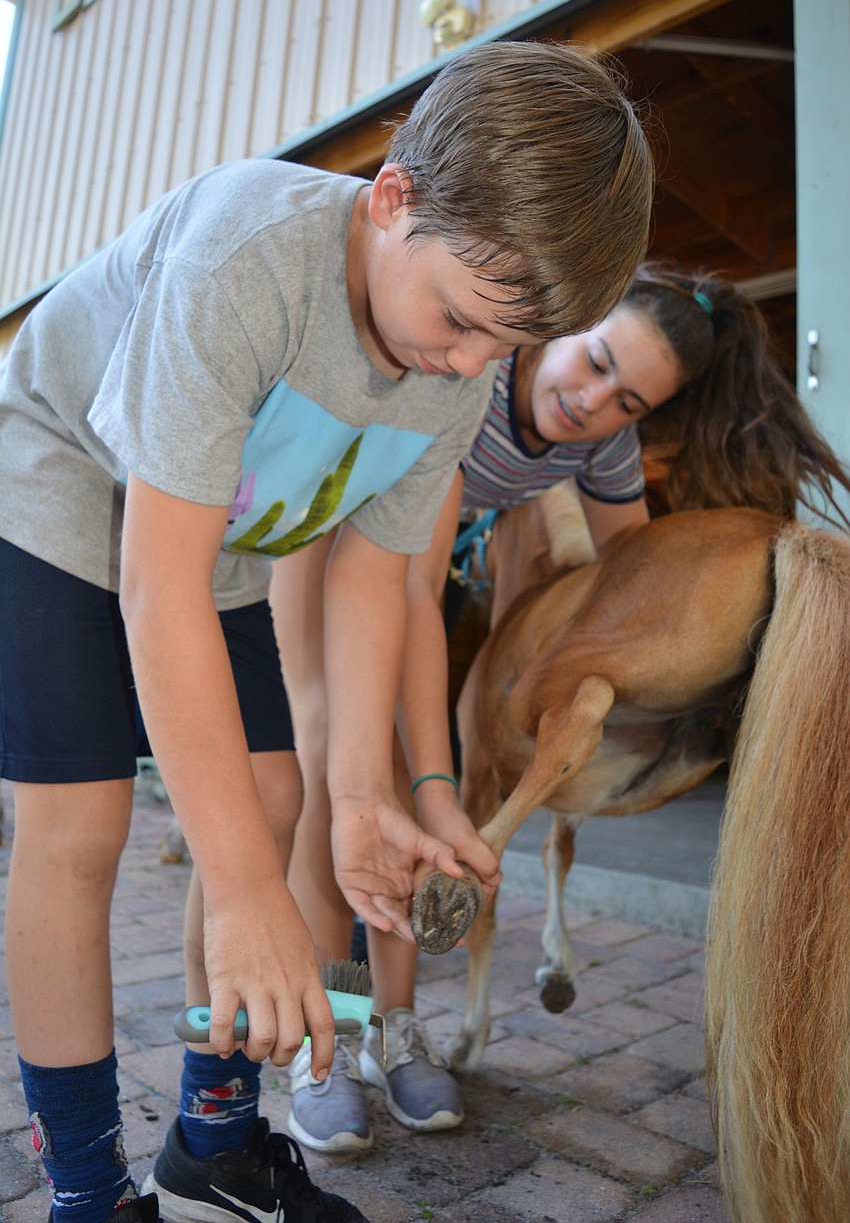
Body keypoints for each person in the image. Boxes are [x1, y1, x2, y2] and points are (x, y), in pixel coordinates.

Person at [0, 39, 654, 1223]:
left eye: (498, 350)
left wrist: (367, 795)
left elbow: (371, 576)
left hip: (232, 536)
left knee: (277, 800)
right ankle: (87, 1194)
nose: (466, 366)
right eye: (458, 321)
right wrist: (249, 896)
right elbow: (158, 585)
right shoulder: (250, 255)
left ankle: (210, 1144)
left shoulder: (458, 347)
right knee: (81, 829)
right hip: (56, 489)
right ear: (395, 195)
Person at [272, 259, 850, 1153]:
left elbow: (623, 585)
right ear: (570, 326)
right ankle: (328, 1040)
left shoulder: (599, 451)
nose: (593, 401)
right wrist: (436, 778)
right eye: (596, 360)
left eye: (627, 402)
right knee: (333, 769)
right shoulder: (479, 381)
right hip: (330, 536)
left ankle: (393, 1024)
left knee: (393, 791)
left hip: (402, 561)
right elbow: (416, 596)